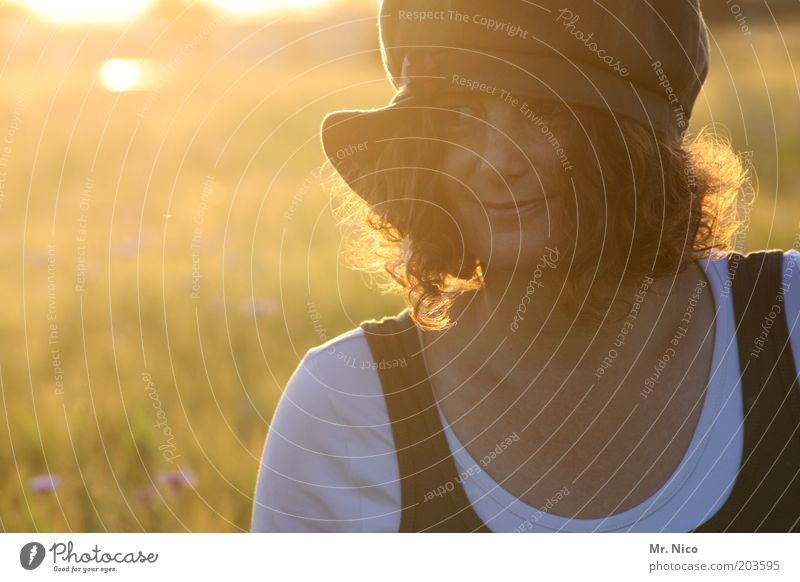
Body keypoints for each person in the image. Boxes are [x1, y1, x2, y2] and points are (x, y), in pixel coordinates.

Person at [252, 0, 800, 532]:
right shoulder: (347, 410)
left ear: (632, 145)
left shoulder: (789, 322)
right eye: (462, 117)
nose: (494, 165)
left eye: (543, 116)